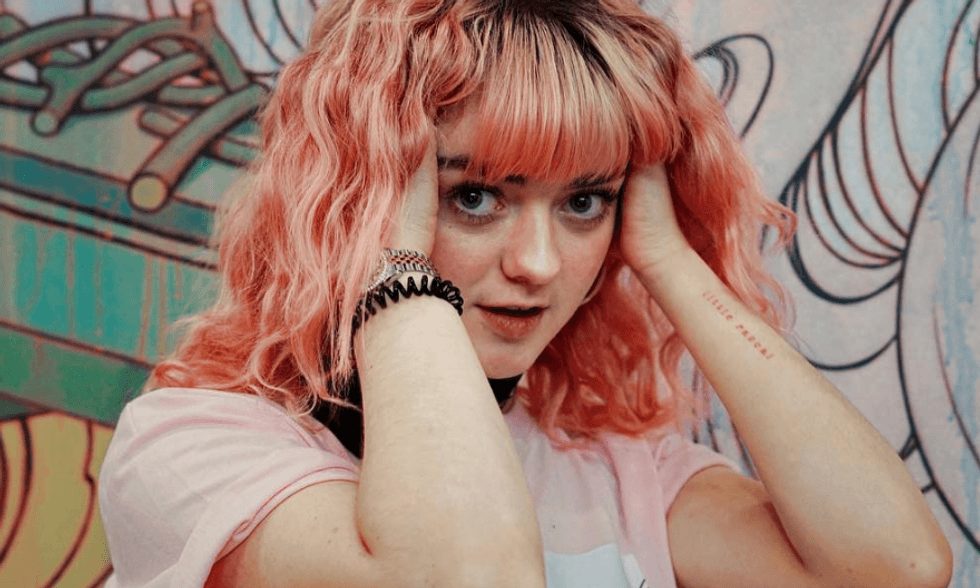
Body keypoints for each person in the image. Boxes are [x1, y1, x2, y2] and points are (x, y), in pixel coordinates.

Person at [97, 1, 953, 587]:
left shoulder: (617, 472)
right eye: (474, 196)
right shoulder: (193, 448)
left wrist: (667, 258)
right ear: (364, 198)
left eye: (584, 202)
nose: (540, 263)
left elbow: (897, 569)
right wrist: (395, 265)